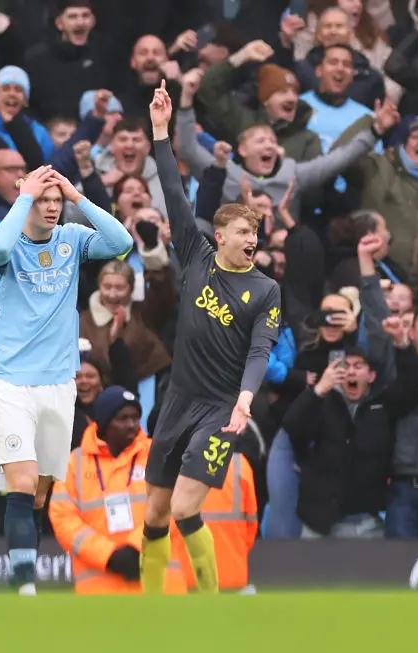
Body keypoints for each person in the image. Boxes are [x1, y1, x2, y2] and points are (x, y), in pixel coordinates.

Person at [140, 82, 281, 595]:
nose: (253, 241)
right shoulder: (196, 258)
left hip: (223, 410)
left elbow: (260, 349)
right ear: (220, 237)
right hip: (178, 402)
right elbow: (174, 189)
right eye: (245, 234)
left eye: (257, 235)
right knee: (154, 513)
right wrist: (160, 130)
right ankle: (149, 609)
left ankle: (210, 604)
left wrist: (244, 401)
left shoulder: (266, 290)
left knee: (184, 508)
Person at [0, 164, 132, 595]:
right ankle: (23, 587)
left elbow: (121, 243)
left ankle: (24, 569)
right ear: (24, 197)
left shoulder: (72, 239)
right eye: (42, 200)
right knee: (23, 482)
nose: (51, 208)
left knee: (41, 494)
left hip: (59, 381)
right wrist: (24, 197)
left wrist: (77, 196)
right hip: (9, 378)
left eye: (55, 201)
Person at [49, 387, 188, 595]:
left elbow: (178, 505)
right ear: (104, 424)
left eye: (135, 418)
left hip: (160, 587)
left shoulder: (158, 454)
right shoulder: (74, 464)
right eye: (122, 418)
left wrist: (137, 547)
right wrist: (108, 555)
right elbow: (62, 518)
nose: (131, 425)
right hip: (100, 590)